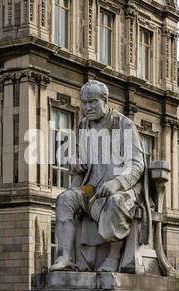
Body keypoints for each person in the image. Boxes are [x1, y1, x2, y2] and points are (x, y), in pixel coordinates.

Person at [50, 80, 145, 272]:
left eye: (92, 102)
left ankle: (113, 256)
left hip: (121, 188)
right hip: (91, 187)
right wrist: (75, 161)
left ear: (105, 100)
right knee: (64, 199)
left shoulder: (124, 125)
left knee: (115, 201)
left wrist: (117, 183)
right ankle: (67, 256)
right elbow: (78, 157)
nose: (87, 108)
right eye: (84, 103)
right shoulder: (84, 125)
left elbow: (137, 164)